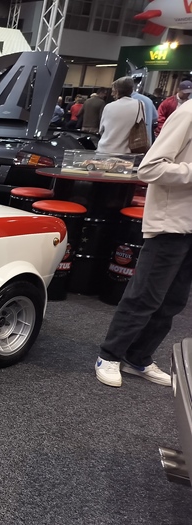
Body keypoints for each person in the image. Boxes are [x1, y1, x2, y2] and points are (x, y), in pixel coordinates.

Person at [94, 95, 192, 388]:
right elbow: (150, 168)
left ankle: (138, 357)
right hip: (171, 224)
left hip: (187, 225)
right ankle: (110, 355)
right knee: (145, 295)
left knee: (173, 301)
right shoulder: (188, 113)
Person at [96, 77, 141, 155]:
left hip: (104, 150)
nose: (112, 94)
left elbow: (101, 130)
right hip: (126, 152)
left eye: (113, 91)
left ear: (117, 91)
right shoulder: (140, 105)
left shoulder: (109, 106)